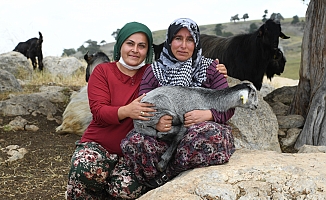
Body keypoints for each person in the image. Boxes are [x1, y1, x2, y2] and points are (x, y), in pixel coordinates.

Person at [121, 18, 235, 189]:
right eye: (178, 38)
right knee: (134, 142)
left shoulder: (210, 68)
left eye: (189, 40)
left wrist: (208, 115)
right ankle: (160, 177)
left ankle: (168, 175)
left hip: (196, 133)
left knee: (207, 135)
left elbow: (228, 105)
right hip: (165, 138)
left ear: (196, 43)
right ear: (169, 41)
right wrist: (157, 122)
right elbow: (143, 106)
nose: (183, 45)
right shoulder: (154, 71)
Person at [65, 21, 156, 199]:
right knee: (84, 168)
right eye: (130, 43)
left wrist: (214, 73)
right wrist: (127, 111)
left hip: (132, 153)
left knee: (128, 189)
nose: (135, 50)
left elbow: (182, 76)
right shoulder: (103, 71)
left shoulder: (153, 73)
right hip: (98, 145)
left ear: (148, 50)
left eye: (142, 46)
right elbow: (99, 112)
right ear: (120, 45)